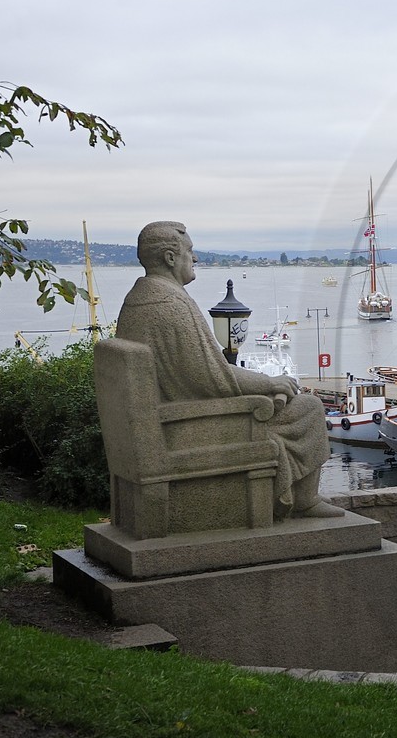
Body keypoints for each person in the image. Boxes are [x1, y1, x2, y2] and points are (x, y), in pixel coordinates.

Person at [115, 221, 343, 519]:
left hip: (165, 420)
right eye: (190, 251)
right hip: (188, 428)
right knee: (309, 408)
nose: (194, 258)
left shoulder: (137, 299)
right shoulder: (170, 305)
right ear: (171, 258)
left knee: (291, 405)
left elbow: (205, 373)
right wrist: (269, 383)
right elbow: (213, 377)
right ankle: (302, 501)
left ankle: (301, 499)